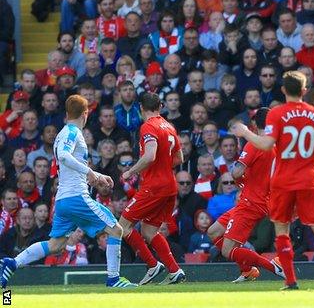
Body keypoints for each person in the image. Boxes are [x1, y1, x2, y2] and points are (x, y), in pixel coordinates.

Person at [231, 70, 314, 290]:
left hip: (283, 182)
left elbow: (265, 144)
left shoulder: (276, 114)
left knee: (282, 232)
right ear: (304, 90)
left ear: (283, 90)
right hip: (308, 180)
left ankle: (291, 281)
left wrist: (245, 133)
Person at [0, 95, 136, 289]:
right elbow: (64, 156)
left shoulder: (63, 133)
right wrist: (90, 172)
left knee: (56, 245)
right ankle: (113, 279)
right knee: (116, 229)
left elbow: (70, 163)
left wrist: (96, 174)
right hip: (76, 197)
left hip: (63, 199)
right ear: (86, 113)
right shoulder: (73, 132)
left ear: (66, 113)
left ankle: (12, 263)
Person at [207, 108, 284, 282]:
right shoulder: (276, 144)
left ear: (255, 124)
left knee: (227, 250)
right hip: (258, 200)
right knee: (213, 232)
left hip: (251, 203)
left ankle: (273, 266)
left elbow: (236, 173)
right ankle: (247, 270)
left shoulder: (254, 143)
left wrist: (238, 170)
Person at [118, 93, 186, 285]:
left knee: (123, 226)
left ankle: (152, 264)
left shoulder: (148, 126)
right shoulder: (169, 126)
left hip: (154, 186)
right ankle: (174, 270)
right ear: (161, 106)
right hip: (170, 186)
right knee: (149, 231)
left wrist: (130, 172)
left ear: (141, 107)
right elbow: (180, 158)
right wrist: (163, 167)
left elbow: (150, 156)